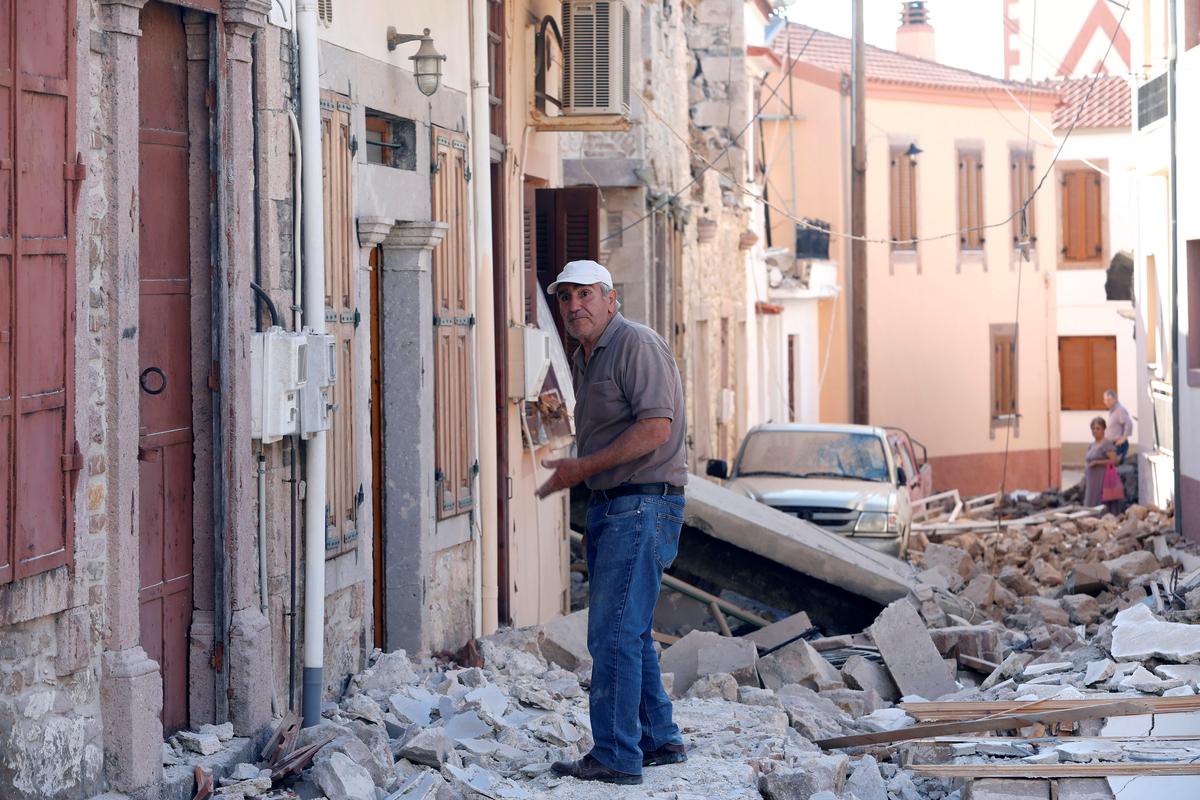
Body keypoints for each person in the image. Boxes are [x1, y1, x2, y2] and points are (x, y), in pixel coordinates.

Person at [535, 259, 687, 786]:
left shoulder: (635, 345)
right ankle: (658, 738)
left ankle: (617, 756)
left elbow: (655, 429)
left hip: (641, 503)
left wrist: (582, 468)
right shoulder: (586, 354)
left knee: (613, 635)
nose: (574, 306)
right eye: (565, 297)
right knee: (633, 631)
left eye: (584, 295)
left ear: (610, 299)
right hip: (616, 504)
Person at [1084, 416, 1120, 514]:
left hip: (1103, 479)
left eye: (1098, 428)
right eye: (1093, 429)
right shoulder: (1092, 445)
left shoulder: (1106, 444)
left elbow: (1115, 461)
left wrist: (1097, 463)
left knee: (1100, 500)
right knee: (1090, 499)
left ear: (1104, 429)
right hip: (1091, 480)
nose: (1095, 431)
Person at [1103, 389, 1133, 464]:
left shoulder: (1120, 410)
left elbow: (1129, 424)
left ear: (1115, 399)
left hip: (1119, 446)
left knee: (1116, 468)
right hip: (1112, 445)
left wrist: (1123, 439)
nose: (1107, 402)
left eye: (1109, 400)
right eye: (1105, 400)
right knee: (1111, 469)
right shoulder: (1112, 410)